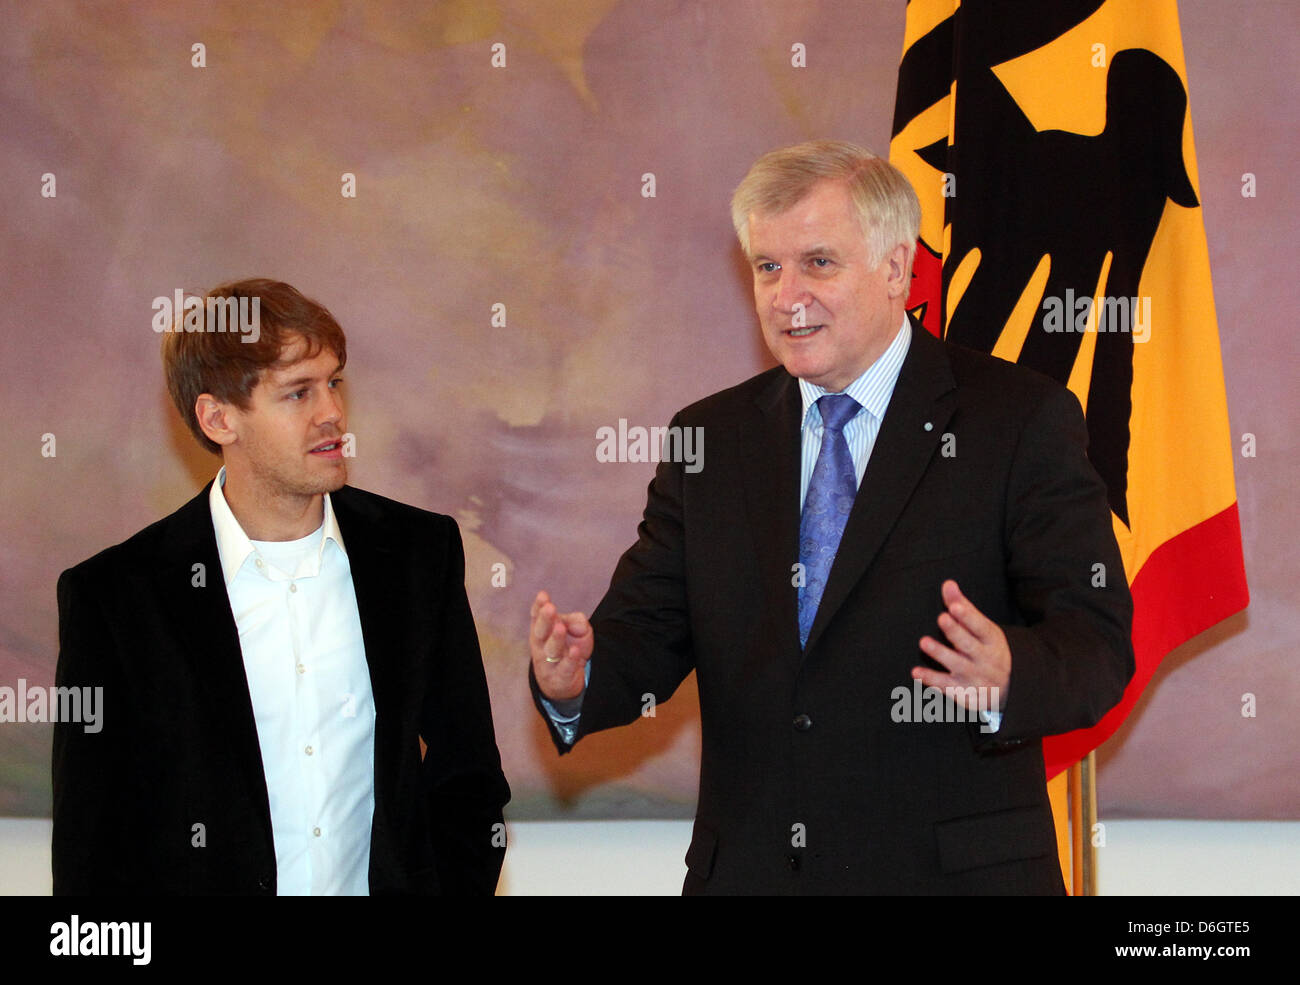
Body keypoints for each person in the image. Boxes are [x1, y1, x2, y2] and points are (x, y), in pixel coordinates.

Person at [528, 141, 1134, 894]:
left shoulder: (1016, 420)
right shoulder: (711, 439)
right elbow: (649, 631)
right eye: (767, 267)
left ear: (894, 269)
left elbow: (1098, 640)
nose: (788, 296)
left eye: (818, 262)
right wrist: (576, 680)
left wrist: (1014, 673)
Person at [53, 278, 510, 895]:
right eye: (297, 393)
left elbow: (469, 774)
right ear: (218, 418)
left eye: (334, 382)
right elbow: (93, 846)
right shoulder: (117, 597)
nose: (332, 413)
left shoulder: (416, 555)